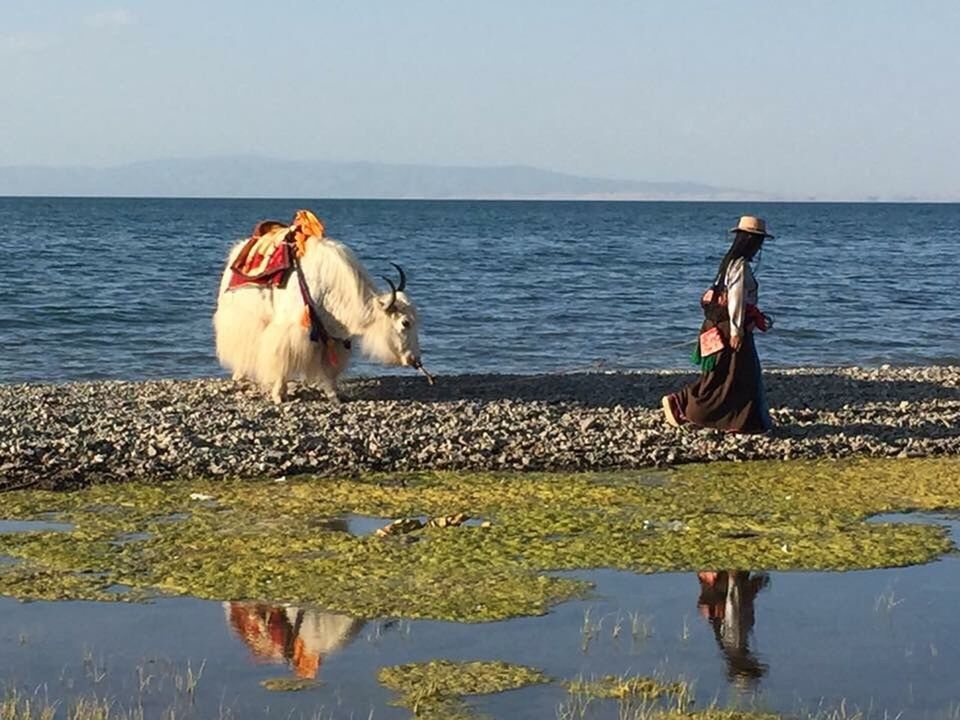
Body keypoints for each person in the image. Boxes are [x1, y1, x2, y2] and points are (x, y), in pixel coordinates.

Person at [662, 216, 774, 434]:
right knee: (739, 376)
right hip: (730, 328)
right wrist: (736, 331)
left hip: (716, 326)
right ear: (752, 241)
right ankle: (686, 404)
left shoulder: (728, 263)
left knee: (721, 374)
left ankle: (735, 420)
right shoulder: (740, 266)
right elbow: (736, 299)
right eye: (759, 241)